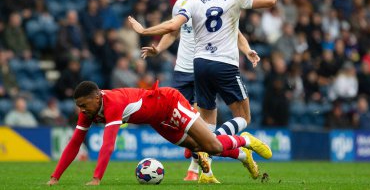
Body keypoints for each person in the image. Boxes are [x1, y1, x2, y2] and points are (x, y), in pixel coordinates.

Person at [129, 0, 278, 180]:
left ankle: (203, 167)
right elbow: (270, 0)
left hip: (199, 65)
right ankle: (234, 140)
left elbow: (171, 26)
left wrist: (144, 30)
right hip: (223, 64)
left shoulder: (192, 2)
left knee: (205, 120)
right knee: (244, 117)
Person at [47, 81, 272, 186]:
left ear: (97, 98)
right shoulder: (88, 110)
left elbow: (108, 144)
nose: (81, 110)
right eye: (79, 106)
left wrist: (96, 179)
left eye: (84, 105)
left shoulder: (112, 103)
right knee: (196, 148)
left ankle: (246, 140)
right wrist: (54, 178)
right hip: (157, 120)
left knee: (212, 146)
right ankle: (243, 155)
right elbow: (75, 142)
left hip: (169, 103)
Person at [141, 0, 260, 182]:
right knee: (180, 126)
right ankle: (241, 154)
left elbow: (235, 33)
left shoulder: (219, 2)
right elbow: (172, 32)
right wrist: (158, 49)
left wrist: (246, 51)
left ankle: (198, 171)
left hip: (201, 67)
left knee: (201, 126)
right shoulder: (182, 3)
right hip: (181, 71)